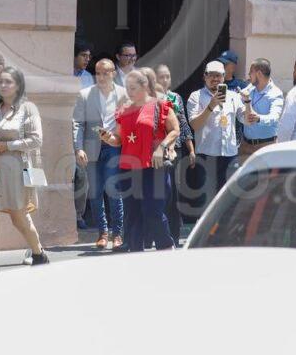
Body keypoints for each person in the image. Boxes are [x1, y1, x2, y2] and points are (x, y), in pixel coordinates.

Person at [100, 70, 179, 252]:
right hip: (129, 168)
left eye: (133, 88)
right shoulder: (124, 110)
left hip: (154, 167)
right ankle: (135, 254)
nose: (129, 92)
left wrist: (162, 147)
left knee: (153, 211)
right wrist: (108, 138)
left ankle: (166, 247)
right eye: (127, 88)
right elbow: (118, 139)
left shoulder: (160, 105)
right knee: (132, 215)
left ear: (144, 86)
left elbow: (175, 130)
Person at [0, 67, 49, 272]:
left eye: (8, 82)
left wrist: (7, 146)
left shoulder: (28, 108)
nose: (3, 85)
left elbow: (36, 140)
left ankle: (38, 253)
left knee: (18, 217)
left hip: (17, 170)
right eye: (0, 81)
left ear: (18, 85)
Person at [72, 59, 127, 250]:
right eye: (98, 73)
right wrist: (78, 148)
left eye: (105, 73)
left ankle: (117, 233)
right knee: (95, 193)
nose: (101, 77)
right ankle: (102, 233)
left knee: (114, 190)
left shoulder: (123, 94)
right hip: (92, 148)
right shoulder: (85, 94)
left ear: (113, 73)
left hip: (114, 146)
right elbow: (78, 123)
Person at [187, 61, 257, 210]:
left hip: (229, 155)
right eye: (211, 75)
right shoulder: (196, 96)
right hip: (206, 156)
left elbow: (247, 120)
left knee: (228, 202)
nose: (215, 79)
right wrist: (211, 105)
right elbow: (195, 125)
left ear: (224, 77)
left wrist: (247, 102)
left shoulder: (233, 96)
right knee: (206, 203)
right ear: (204, 77)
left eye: (218, 75)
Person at [155, 64, 195, 244]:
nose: (165, 80)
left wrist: (191, 149)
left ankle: (174, 235)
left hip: (174, 150)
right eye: (161, 77)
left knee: (173, 193)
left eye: (167, 77)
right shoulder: (149, 99)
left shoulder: (175, 98)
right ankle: (157, 233)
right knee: (158, 192)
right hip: (155, 150)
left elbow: (183, 124)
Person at [238, 58, 284, 159]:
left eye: (251, 72)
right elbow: (238, 101)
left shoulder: (276, 93)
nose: (249, 75)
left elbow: (274, 117)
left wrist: (258, 118)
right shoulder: (250, 88)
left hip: (266, 147)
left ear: (259, 73)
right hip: (246, 145)